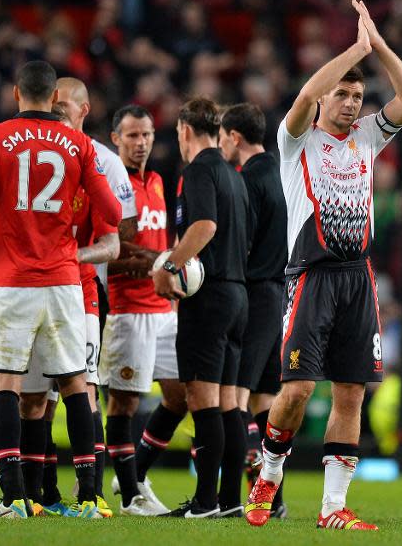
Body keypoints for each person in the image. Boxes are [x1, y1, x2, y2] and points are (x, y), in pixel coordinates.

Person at [244, 0, 402, 530]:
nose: (351, 103)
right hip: (310, 277)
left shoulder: (367, 136)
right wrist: (354, 50)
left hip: (357, 279)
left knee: (351, 392)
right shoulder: (296, 139)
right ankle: (269, 473)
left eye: (357, 95)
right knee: (296, 391)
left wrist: (380, 47)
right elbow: (302, 95)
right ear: (324, 97)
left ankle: (332, 509)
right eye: (342, 94)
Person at [0, 60, 121, 518]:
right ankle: (90, 497)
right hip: (64, 281)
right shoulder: (79, 143)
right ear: (55, 98)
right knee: (75, 383)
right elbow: (109, 210)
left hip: (11, 282)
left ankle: (15, 499)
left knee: (7, 386)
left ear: (15, 94)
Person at [20, 103, 119, 518]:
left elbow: (112, 245)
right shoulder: (26, 187)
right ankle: (38, 495)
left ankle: (90, 494)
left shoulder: (87, 181)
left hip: (80, 298)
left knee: (83, 390)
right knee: (33, 400)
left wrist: (71, 255)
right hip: (30, 292)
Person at [154, 97, 249, 518]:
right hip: (238, 294)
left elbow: (205, 225)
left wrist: (169, 267)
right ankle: (229, 499)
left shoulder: (198, 170)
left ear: (186, 131)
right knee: (228, 402)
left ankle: (205, 501)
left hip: (208, 298)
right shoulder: (233, 175)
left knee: (201, 396)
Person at [102, 105, 187, 516]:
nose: (141, 143)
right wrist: (157, 261)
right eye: (133, 136)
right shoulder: (111, 186)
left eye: (147, 135)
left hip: (163, 309)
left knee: (181, 396)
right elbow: (108, 257)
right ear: (115, 138)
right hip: (128, 309)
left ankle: (133, 473)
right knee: (124, 404)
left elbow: (162, 244)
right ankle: (133, 496)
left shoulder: (155, 181)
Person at [218, 103, 288, 517]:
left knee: (237, 396)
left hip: (255, 294)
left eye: (224, 136)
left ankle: (237, 485)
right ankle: (274, 498)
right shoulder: (282, 172)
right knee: (264, 399)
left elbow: (239, 244)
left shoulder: (246, 180)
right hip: (280, 295)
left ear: (235, 137)